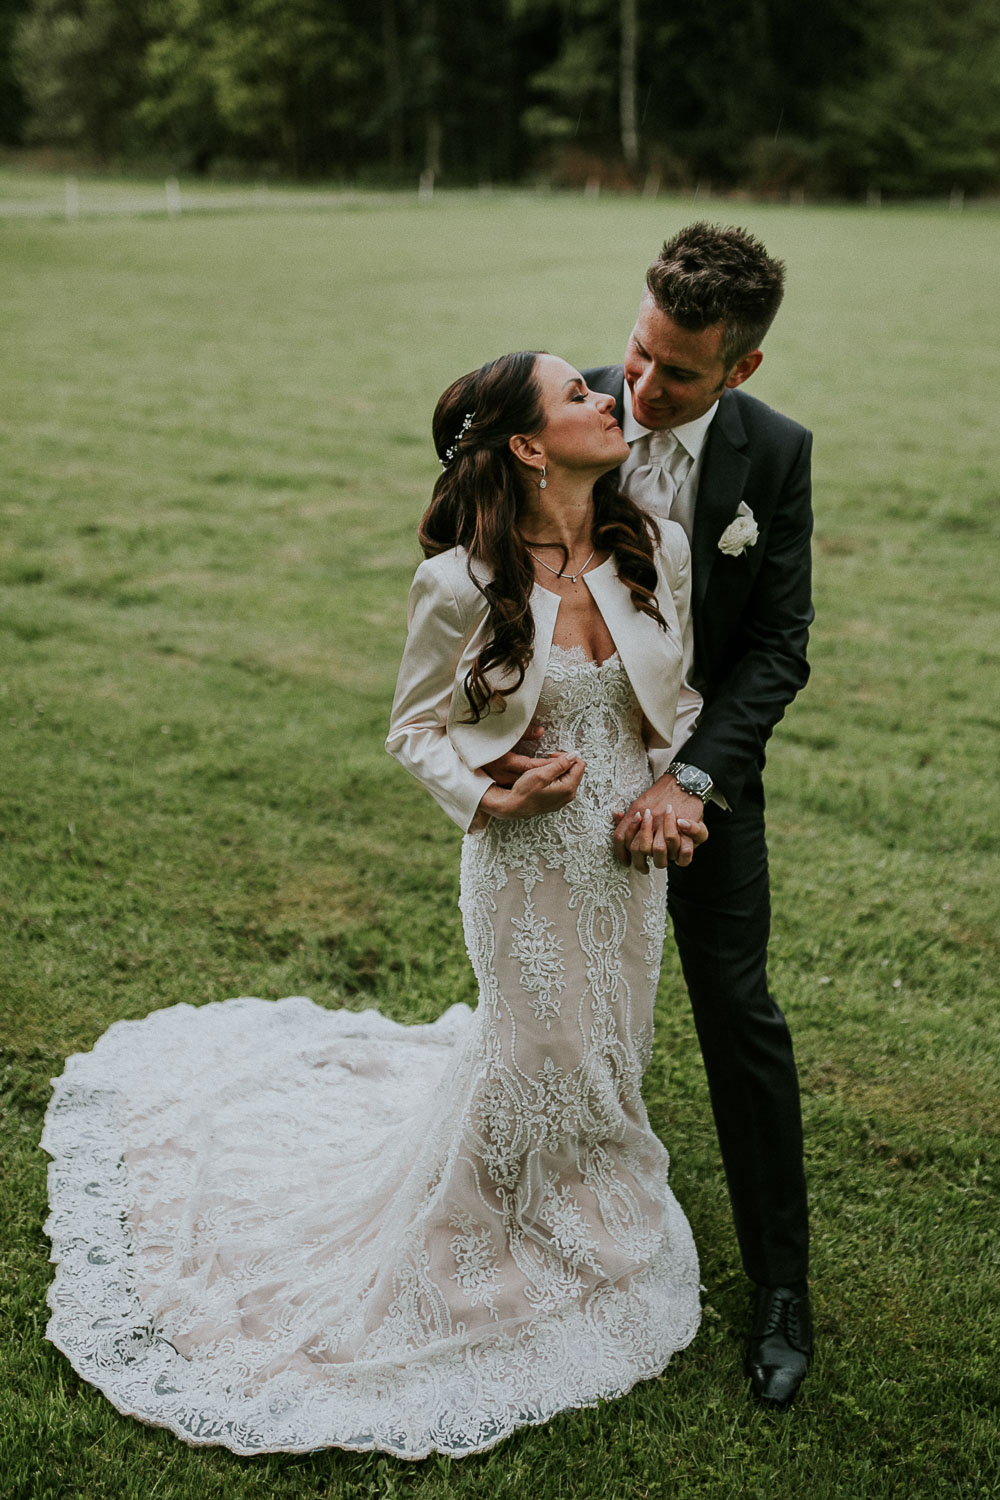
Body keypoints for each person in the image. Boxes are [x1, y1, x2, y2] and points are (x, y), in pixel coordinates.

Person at [42, 350, 706, 1460]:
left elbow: (672, 700)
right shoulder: (461, 583)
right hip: (522, 855)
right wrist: (492, 792)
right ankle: (484, 1230)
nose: (606, 397)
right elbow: (413, 729)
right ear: (532, 446)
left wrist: (672, 790)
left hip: (621, 858)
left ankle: (581, 1185)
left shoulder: (657, 549)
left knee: (607, 1043)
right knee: (530, 1042)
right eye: (577, 395)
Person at [488, 224, 815, 1408]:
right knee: (555, 1010)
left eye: (676, 372)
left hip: (701, 777)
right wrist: (505, 722)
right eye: (637, 349)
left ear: (741, 370)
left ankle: (781, 1288)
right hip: (573, 782)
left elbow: (777, 645)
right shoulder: (566, 409)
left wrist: (692, 784)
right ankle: (542, 1224)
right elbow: (474, 570)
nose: (640, 385)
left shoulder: (774, 457)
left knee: (737, 1011)